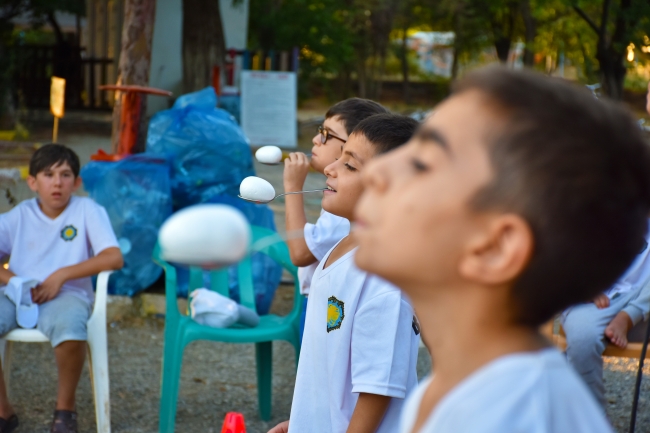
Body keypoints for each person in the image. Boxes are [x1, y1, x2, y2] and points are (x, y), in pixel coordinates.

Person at [352, 66, 650, 432]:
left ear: (496, 248)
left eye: (422, 162)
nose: (372, 173)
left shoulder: (509, 416)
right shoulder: (463, 386)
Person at [269, 113, 421, 433]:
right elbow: (330, 373)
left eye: (349, 166)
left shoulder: (383, 282)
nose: (329, 168)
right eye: (338, 158)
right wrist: (303, 423)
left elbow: (376, 392)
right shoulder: (341, 250)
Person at [0, 144, 123, 433]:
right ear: (32, 182)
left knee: (69, 327)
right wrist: (11, 279)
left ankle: (65, 409)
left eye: (66, 175)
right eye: (48, 174)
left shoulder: (87, 210)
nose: (57, 182)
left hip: (68, 295)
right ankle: (3, 410)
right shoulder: (19, 215)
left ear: (77, 182)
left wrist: (62, 275)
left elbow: (113, 256)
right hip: (17, 296)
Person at [283, 98, 388, 297]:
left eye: (326, 134)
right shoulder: (340, 199)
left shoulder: (346, 207)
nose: (316, 139)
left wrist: (293, 186)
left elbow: (300, 253)